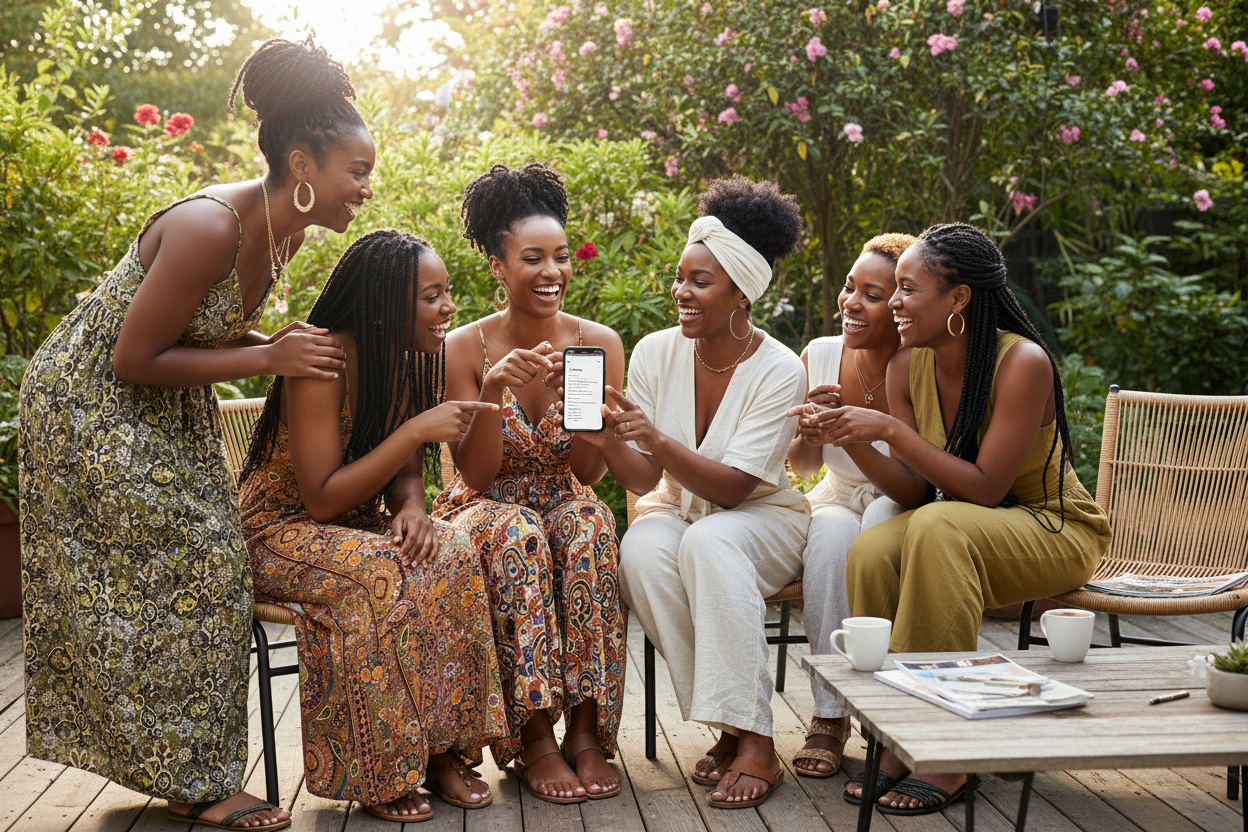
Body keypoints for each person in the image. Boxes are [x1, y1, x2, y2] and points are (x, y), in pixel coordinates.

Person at [19, 34, 376, 830]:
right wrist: (270, 356)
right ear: (302, 166)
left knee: (205, 570)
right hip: (88, 409)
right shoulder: (212, 227)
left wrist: (276, 350)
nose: (364, 190)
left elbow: (204, 336)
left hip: (150, 403)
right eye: (357, 172)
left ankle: (182, 771)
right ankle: (202, 783)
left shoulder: (283, 232)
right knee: (206, 568)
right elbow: (133, 356)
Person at [818, 222, 1111, 816]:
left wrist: (892, 429)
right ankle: (896, 732)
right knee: (873, 545)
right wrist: (849, 436)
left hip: (1053, 527)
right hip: (970, 528)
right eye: (894, 290)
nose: (895, 303)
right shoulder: (908, 367)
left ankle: (947, 751)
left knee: (938, 525)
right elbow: (913, 487)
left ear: (958, 298)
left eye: (907, 289)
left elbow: (985, 487)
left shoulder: (1020, 361)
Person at [238, 230, 508, 822]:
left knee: (454, 554)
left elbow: (406, 478)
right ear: (387, 304)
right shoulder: (323, 363)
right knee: (379, 577)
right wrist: (413, 431)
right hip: (277, 531)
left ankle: (441, 753)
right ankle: (380, 772)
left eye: (447, 292)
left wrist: (412, 506)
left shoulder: (409, 363)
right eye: (431, 296)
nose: (448, 308)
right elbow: (322, 499)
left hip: (355, 525)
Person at [589, 176, 808, 810]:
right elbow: (639, 481)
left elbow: (736, 492)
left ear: (741, 293)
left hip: (763, 522)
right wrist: (609, 441)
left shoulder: (780, 368)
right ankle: (733, 727)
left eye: (700, 282)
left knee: (711, 541)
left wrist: (654, 439)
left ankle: (759, 739)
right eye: (680, 277)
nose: (680, 293)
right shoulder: (657, 352)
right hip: (679, 514)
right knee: (642, 549)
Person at [431, 162, 627, 804]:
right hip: (485, 503)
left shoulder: (597, 342)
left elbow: (590, 474)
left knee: (592, 525)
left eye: (562, 258)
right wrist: (493, 389)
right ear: (497, 264)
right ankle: (535, 736)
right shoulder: (463, 349)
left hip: (561, 492)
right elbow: (477, 473)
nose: (553, 273)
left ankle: (588, 734)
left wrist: (596, 428)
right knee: (517, 533)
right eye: (533, 258)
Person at [784, 233, 915, 779]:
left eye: (872, 294)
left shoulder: (920, 364)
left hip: (901, 500)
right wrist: (813, 428)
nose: (851, 303)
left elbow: (912, 486)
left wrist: (852, 437)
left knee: (882, 522)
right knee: (833, 531)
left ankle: (887, 705)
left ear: (902, 307)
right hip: (836, 495)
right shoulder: (820, 354)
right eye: (848, 287)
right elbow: (802, 466)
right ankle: (831, 712)